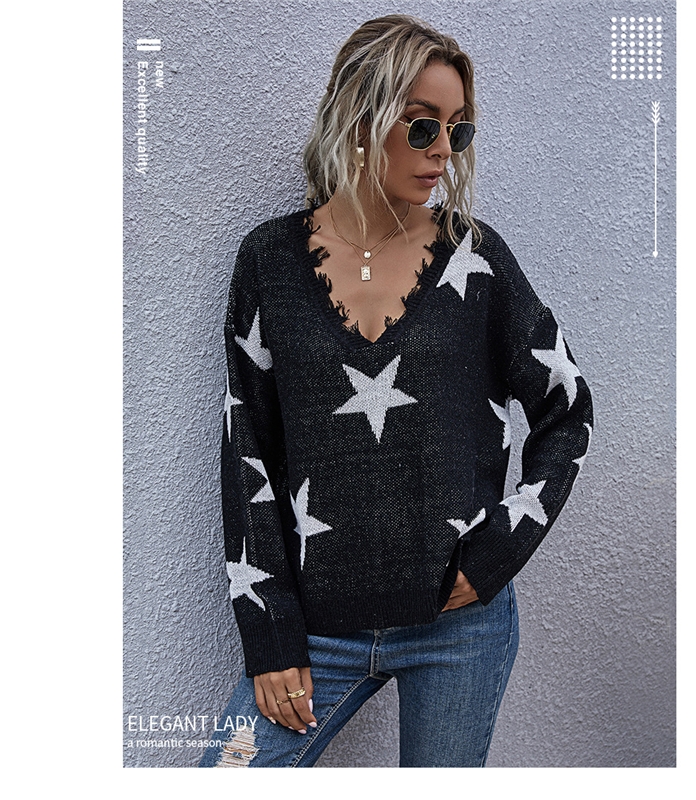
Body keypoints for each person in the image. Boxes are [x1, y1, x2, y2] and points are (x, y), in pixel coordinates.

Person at [200, 14, 593, 768]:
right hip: (319, 631)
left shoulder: (475, 259)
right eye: (421, 126)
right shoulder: (270, 263)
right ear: (361, 119)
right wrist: (270, 635)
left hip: (459, 632)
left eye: (457, 128)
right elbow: (247, 450)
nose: (444, 150)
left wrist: (496, 554)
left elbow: (567, 408)